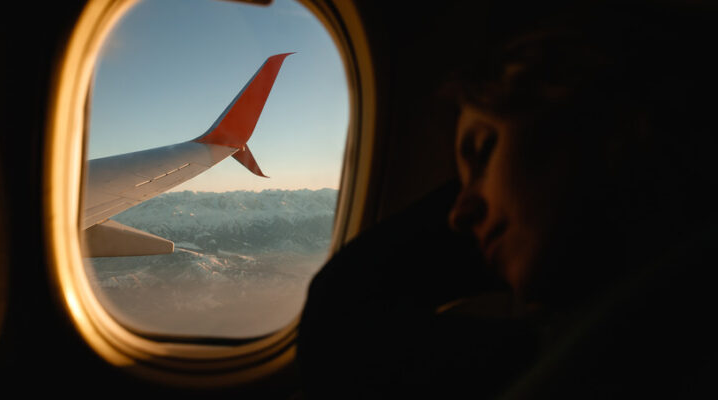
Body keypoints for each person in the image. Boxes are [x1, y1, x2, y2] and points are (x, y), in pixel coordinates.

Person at [298, 1, 717, 398]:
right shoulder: (629, 337)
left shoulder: (640, 350)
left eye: (482, 153)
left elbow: (340, 316)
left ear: (608, 117)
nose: (458, 216)